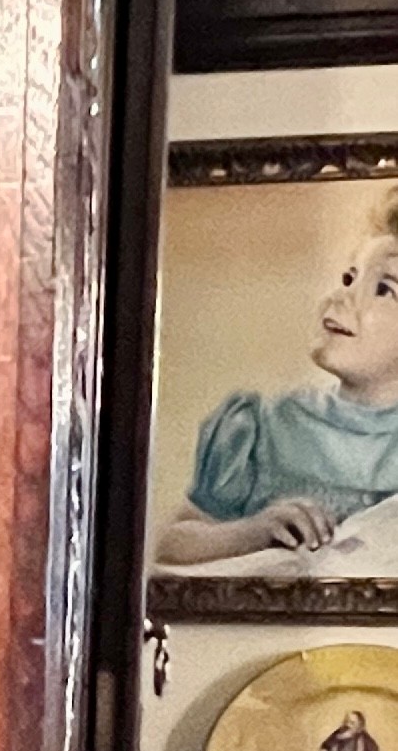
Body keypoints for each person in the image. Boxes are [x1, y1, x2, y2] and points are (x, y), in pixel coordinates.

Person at [157, 193, 398, 564]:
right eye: (349, 277)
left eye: (384, 289)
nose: (340, 297)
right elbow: (172, 545)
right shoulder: (260, 427)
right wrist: (253, 531)